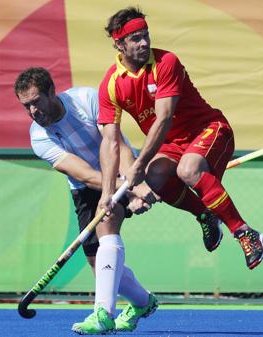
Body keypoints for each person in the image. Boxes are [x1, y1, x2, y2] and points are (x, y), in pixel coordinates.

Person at [97, 7, 263, 273]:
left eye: (146, 35)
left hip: (208, 129)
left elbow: (164, 118)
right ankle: (204, 213)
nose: (144, 43)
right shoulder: (111, 84)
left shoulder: (166, 63)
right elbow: (110, 142)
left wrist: (139, 164)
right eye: (135, 39)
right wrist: (107, 193)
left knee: (188, 169)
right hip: (172, 144)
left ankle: (244, 232)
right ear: (119, 44)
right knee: (156, 177)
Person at [14, 67, 159, 334]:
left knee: (107, 228)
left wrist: (133, 183)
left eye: (36, 102)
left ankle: (103, 314)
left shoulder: (86, 99)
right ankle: (143, 302)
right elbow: (87, 175)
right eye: (26, 106)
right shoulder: (39, 138)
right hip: (86, 185)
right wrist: (130, 191)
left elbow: (120, 146)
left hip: (120, 167)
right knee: (99, 264)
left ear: (51, 92)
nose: (33, 111)